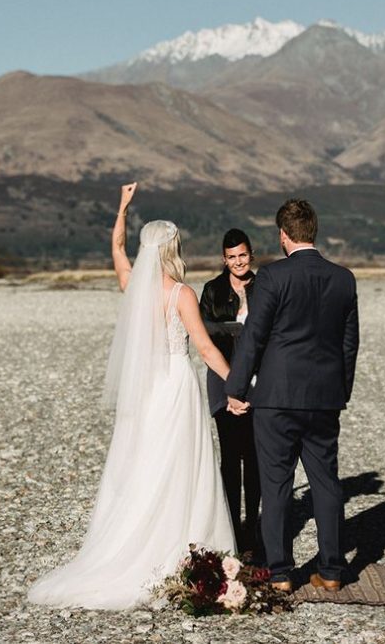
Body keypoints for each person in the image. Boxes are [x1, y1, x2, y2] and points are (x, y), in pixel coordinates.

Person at [28, 183, 236, 610]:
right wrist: (237, 383)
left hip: (147, 391)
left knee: (148, 463)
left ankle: (140, 542)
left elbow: (118, 249)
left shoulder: (133, 286)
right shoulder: (181, 293)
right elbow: (205, 349)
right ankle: (185, 546)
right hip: (175, 385)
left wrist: (122, 207)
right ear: (173, 249)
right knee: (183, 464)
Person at [225, 198, 360, 593]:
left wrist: (236, 388)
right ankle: (331, 570)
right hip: (324, 398)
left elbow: (254, 336)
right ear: (312, 231)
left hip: (277, 398)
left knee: (277, 485)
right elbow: (349, 343)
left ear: (283, 235)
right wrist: (341, 390)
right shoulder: (344, 279)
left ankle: (281, 574)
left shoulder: (272, 276)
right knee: (326, 482)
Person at [199, 229, 261, 553]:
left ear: (251, 254)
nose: (238, 262)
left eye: (243, 255)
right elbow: (205, 333)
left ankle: (253, 529)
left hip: (257, 383)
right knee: (230, 457)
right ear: (224, 259)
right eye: (232, 257)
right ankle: (232, 530)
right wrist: (238, 330)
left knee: (255, 458)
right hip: (222, 383)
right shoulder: (213, 290)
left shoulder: (263, 286)